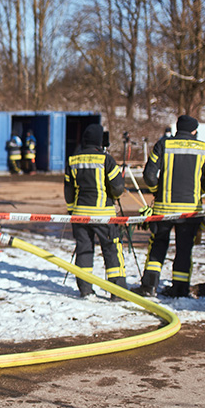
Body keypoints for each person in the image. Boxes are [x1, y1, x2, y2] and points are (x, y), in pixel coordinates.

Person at [134, 115, 205, 298]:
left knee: (157, 246)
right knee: (184, 249)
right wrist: (197, 192)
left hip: (164, 210)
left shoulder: (164, 144)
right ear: (194, 130)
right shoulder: (204, 148)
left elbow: (149, 175)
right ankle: (180, 289)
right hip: (190, 212)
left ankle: (149, 286)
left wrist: (158, 191)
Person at [64, 123, 127, 299]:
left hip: (80, 215)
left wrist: (72, 211)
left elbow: (68, 190)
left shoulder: (73, 160)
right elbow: (118, 187)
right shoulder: (106, 159)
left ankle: (85, 289)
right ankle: (117, 291)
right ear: (100, 141)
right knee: (111, 250)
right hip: (103, 215)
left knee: (84, 250)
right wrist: (113, 195)